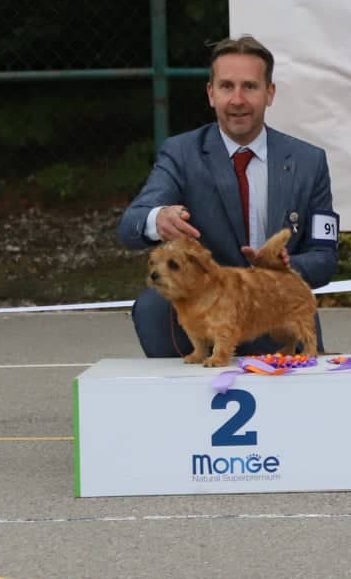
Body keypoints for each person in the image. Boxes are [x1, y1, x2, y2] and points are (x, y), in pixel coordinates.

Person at [117, 35, 337, 357]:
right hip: (205, 310)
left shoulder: (309, 162)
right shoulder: (181, 153)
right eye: (226, 86)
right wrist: (158, 218)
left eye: (250, 87)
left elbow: (325, 257)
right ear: (211, 93)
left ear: (270, 93)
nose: (237, 100)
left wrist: (286, 265)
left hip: (272, 309)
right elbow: (130, 224)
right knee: (153, 305)